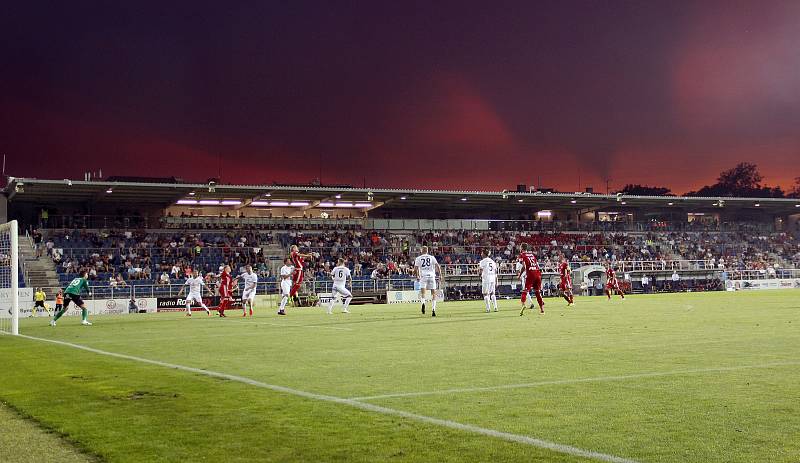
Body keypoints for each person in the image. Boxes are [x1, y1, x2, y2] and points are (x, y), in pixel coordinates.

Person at [413, 245, 441, 317]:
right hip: (432, 276)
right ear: (427, 251)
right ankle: (433, 310)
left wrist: (417, 276)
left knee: (423, 293)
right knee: (433, 294)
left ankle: (423, 303)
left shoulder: (418, 258)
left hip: (423, 276)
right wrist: (440, 275)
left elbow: (415, 269)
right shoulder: (432, 257)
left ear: (422, 251)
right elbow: (438, 266)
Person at [518, 243, 544, 316]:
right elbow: (537, 265)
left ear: (521, 248)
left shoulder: (522, 255)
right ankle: (542, 310)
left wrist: (520, 275)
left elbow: (523, 266)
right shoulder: (532, 254)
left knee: (525, 291)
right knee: (537, 292)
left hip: (531, 274)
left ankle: (523, 305)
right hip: (537, 274)